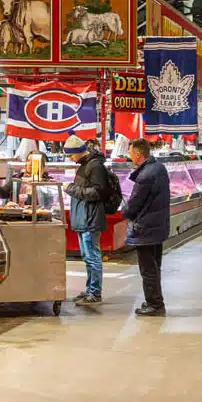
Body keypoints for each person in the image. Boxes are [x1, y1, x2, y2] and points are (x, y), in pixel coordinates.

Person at [120, 138, 170, 316]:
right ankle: (155, 301)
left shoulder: (145, 175)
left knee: (148, 269)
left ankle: (155, 305)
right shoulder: (159, 168)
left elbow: (135, 204)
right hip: (157, 226)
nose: (129, 156)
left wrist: (122, 212)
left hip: (146, 228)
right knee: (155, 267)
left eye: (130, 152)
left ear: (138, 154)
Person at [62, 135, 111, 306]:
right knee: (87, 256)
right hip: (84, 218)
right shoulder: (85, 165)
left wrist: (71, 189)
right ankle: (90, 289)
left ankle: (95, 293)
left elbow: (97, 192)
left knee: (92, 257)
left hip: (91, 218)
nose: (70, 158)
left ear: (77, 152)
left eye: (70, 155)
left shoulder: (95, 166)